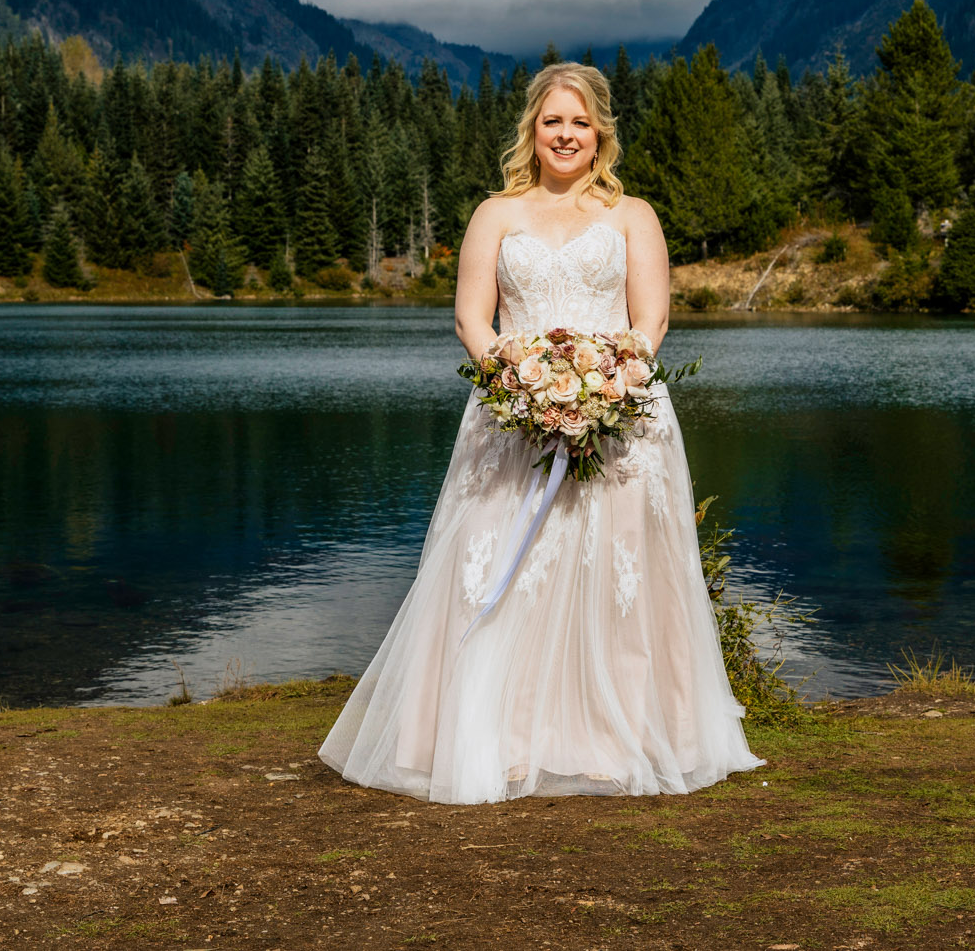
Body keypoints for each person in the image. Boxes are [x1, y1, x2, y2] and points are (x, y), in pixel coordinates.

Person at [319, 62, 763, 803]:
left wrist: (606, 387)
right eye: (553, 120)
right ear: (533, 127)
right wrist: (520, 384)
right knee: (501, 571)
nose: (566, 134)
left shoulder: (633, 216)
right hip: (510, 419)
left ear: (600, 134)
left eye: (580, 122)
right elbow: (471, 317)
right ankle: (498, 741)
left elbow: (650, 321)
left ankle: (618, 740)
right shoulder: (496, 213)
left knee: (613, 576)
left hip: (622, 420)